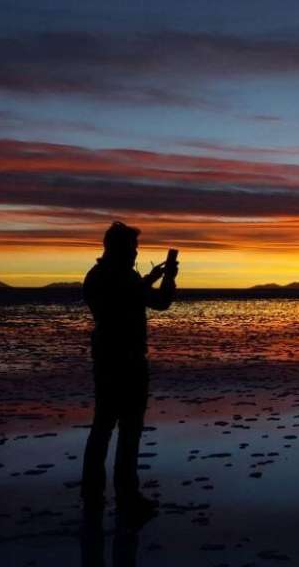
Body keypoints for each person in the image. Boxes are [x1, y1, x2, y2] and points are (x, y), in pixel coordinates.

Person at [81, 222, 178, 520]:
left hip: (106, 360)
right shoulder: (123, 277)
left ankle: (93, 497)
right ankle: (127, 497)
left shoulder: (97, 276)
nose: (136, 252)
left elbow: (128, 297)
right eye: (133, 248)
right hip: (129, 362)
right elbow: (160, 303)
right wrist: (168, 279)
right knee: (129, 431)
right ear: (121, 249)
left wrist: (148, 278)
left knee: (102, 429)